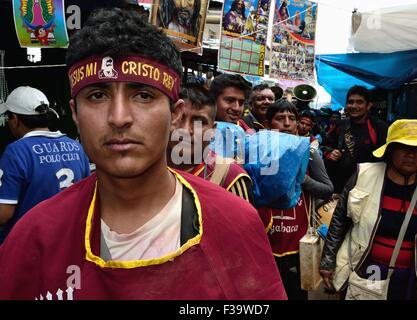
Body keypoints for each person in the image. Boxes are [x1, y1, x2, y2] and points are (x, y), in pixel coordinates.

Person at [0, 8, 287, 300]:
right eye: (98, 95)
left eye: (143, 95)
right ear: (75, 113)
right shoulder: (35, 237)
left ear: (174, 114)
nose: (119, 117)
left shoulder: (233, 222)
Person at [320, 119, 417, 300]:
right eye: (403, 147)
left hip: (410, 282)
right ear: (391, 150)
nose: (411, 155)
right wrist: (328, 261)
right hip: (364, 273)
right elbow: (339, 221)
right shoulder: (363, 176)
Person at [259, 100, 334, 299]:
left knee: (295, 294)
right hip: (264, 240)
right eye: (279, 118)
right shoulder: (258, 151)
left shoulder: (308, 151)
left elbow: (327, 190)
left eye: (292, 118)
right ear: (268, 124)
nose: (286, 123)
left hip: (298, 243)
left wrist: (300, 177)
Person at [0, 86, 91, 244]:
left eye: (8, 118)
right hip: (70, 239)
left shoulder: (16, 151)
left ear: (15, 119)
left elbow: (3, 213)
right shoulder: (76, 147)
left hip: (30, 243)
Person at [167, 83, 253, 204]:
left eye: (199, 122)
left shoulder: (229, 177)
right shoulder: (144, 167)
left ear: (213, 130)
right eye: (179, 118)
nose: (186, 130)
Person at [322, 85, 388, 193]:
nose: (354, 106)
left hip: (367, 189)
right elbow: (323, 147)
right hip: (338, 189)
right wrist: (330, 153)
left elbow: (385, 159)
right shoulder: (339, 126)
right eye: (350, 102)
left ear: (368, 105)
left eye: (359, 102)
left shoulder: (379, 128)